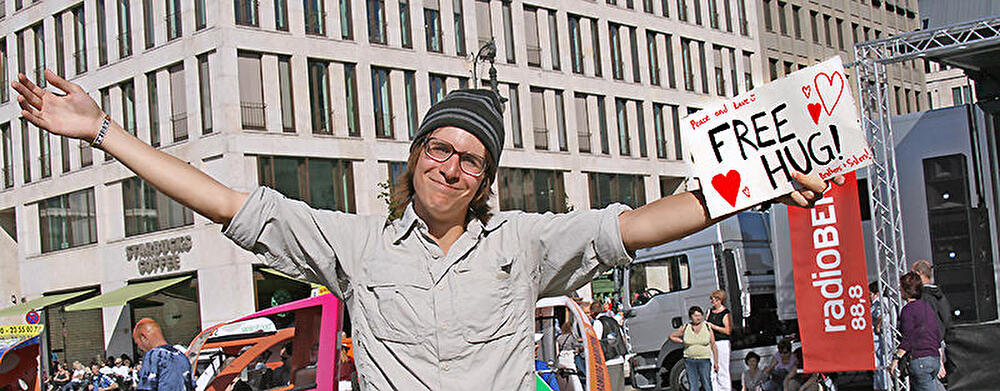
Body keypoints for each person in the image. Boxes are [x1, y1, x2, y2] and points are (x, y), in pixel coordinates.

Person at [11, 70, 836, 390]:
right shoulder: (357, 246)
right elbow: (231, 204)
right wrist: (102, 134)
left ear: (486, 177)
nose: (453, 166)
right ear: (413, 159)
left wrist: (762, 186)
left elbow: (639, 225)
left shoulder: (524, 244)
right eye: (440, 148)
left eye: (472, 159)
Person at [891, 272, 944, 391]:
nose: (899, 290)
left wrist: (896, 358)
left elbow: (908, 338)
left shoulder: (908, 310)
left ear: (906, 290)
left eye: (901, 287)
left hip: (920, 359)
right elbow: (937, 334)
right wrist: (940, 360)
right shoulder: (927, 307)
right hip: (934, 358)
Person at [910, 259, 950, 381]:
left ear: (920, 273)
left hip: (930, 346)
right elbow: (946, 318)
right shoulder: (939, 294)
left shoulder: (924, 297)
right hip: (939, 343)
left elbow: (927, 323)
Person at [132, 318, 195, 391]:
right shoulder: (182, 356)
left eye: (138, 344)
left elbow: (146, 388)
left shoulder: (154, 355)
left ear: (143, 337)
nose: (140, 348)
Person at [670, 306, 717, 391]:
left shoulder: (707, 327)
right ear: (691, 317)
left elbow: (713, 345)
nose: (698, 318)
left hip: (704, 359)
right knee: (693, 384)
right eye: (695, 316)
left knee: (706, 383)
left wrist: (716, 362)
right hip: (690, 360)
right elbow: (672, 336)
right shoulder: (686, 327)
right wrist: (682, 341)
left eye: (699, 315)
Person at [707, 290, 732, 391]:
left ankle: (726, 389)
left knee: (722, 368)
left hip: (722, 342)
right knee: (711, 368)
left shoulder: (725, 313)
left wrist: (714, 326)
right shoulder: (710, 312)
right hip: (711, 342)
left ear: (719, 300)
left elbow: (728, 330)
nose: (711, 301)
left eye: (713, 299)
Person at [869, 282, 891, 391]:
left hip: (882, 340)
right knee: (878, 366)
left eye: (871, 294)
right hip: (878, 341)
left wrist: (878, 327)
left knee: (883, 364)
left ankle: (886, 387)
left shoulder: (882, 302)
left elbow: (881, 315)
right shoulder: (881, 302)